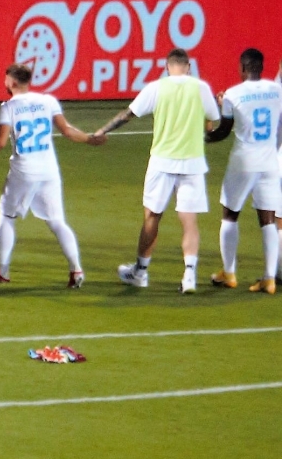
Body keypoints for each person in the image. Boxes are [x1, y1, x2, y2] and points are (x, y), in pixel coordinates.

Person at [93, 49, 223, 292]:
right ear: (188, 66)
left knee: (152, 217)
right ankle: (189, 276)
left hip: (162, 162)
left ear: (167, 66)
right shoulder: (201, 87)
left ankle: (141, 272)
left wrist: (102, 131)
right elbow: (212, 122)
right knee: (189, 221)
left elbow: (127, 114)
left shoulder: (156, 87)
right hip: (192, 162)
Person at [0, 62, 102, 286]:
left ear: (12, 82)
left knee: (7, 217)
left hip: (24, 171)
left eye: (6, 79)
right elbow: (68, 131)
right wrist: (91, 139)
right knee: (57, 221)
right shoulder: (48, 101)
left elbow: (0, 143)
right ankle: (76, 269)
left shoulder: (8, 107)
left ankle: (2, 272)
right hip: (49, 170)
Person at [211, 48, 282, 292]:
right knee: (268, 220)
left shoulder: (233, 94)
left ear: (242, 68)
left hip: (243, 162)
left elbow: (222, 131)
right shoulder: (277, 90)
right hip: (269, 161)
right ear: (261, 68)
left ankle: (229, 273)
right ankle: (269, 279)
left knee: (230, 214)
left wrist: (207, 135)